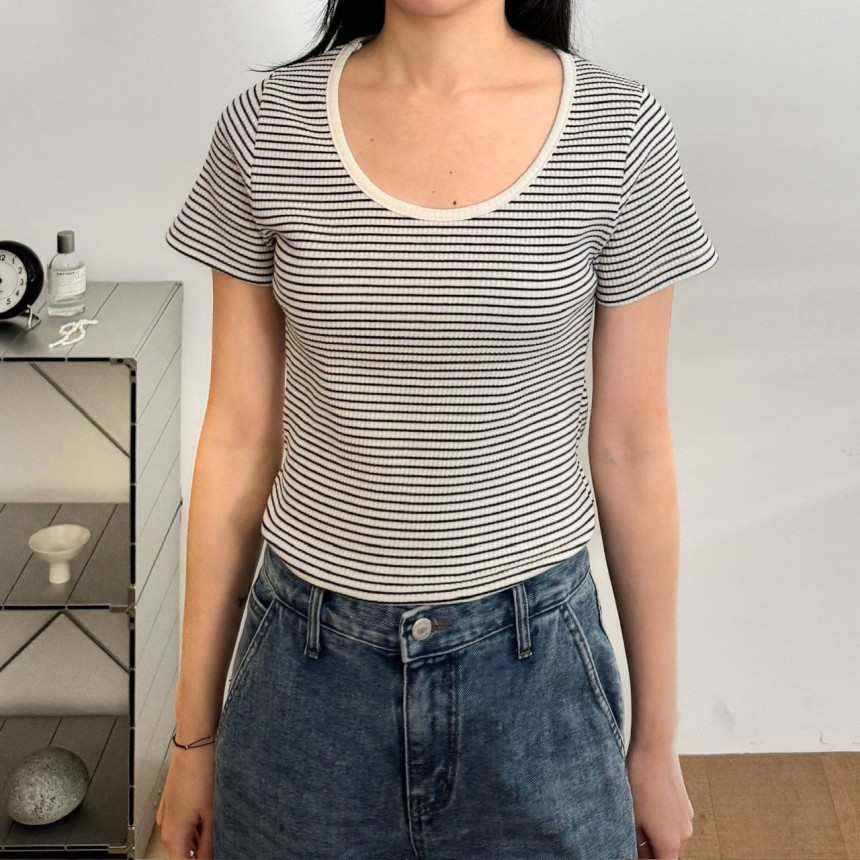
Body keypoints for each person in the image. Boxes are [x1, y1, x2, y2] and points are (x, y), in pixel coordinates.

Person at [157, 0, 717, 857]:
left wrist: (656, 740)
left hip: (539, 679)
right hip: (305, 679)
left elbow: (632, 448)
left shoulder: (618, 129)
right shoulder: (269, 128)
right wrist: (192, 740)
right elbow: (237, 438)